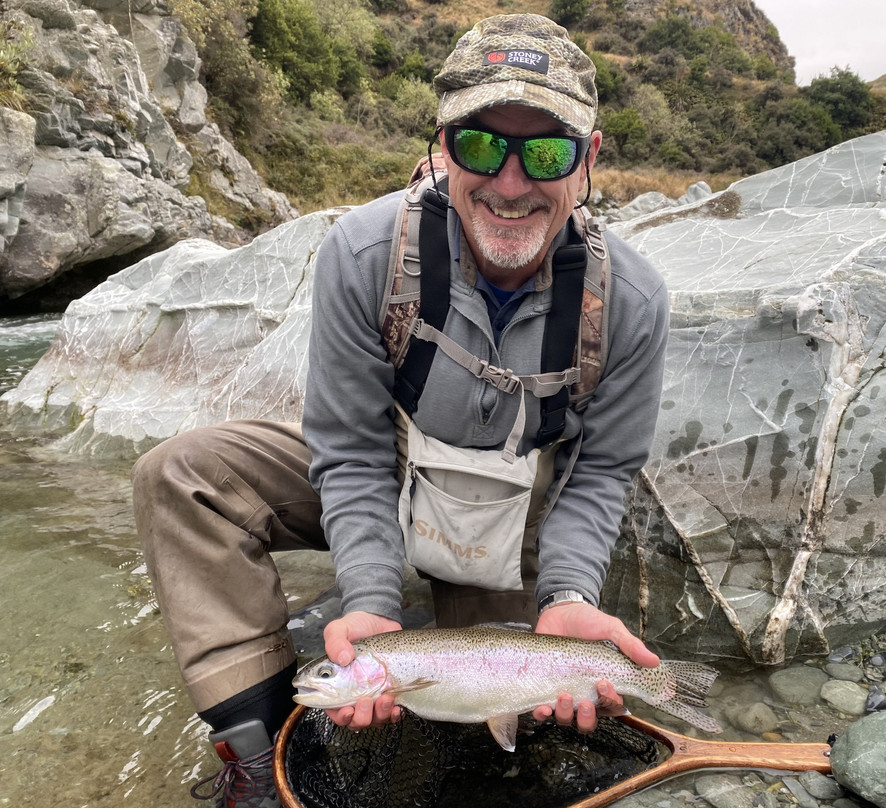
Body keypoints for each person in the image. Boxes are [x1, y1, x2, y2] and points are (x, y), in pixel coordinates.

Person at [132, 13, 668, 808]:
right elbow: (347, 452)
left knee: (496, 720)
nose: (511, 184)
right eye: (481, 145)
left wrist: (568, 598)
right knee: (181, 475)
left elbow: (603, 474)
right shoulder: (364, 253)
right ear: (442, 145)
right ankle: (260, 746)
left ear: (587, 159)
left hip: (516, 520)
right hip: (390, 472)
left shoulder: (632, 299)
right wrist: (374, 603)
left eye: (546, 151)